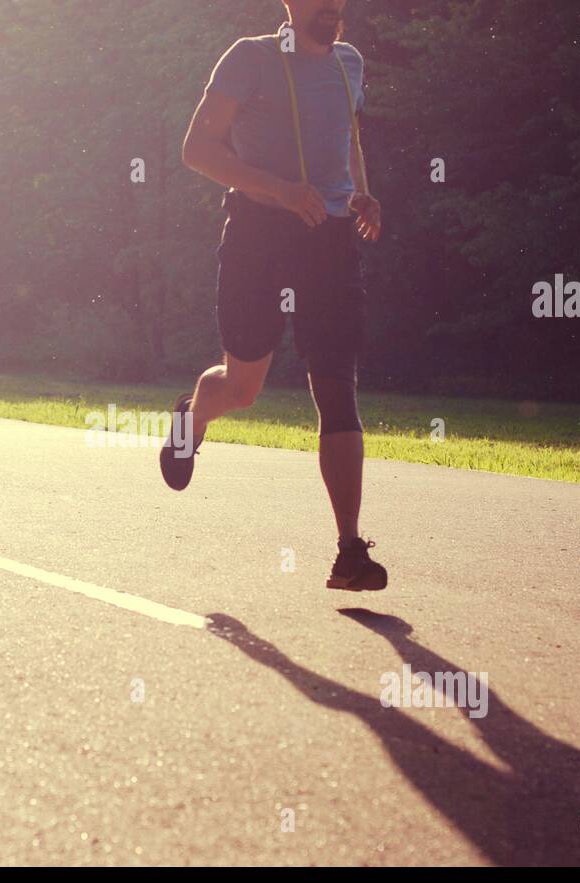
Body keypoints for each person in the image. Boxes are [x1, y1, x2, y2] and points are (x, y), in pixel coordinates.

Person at [160, 0, 386, 591]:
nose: (333, 7)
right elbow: (198, 150)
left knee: (337, 387)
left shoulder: (350, 64)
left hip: (331, 241)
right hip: (259, 235)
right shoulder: (249, 59)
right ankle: (192, 417)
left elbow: (349, 140)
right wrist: (280, 191)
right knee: (243, 388)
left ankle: (349, 550)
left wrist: (362, 193)